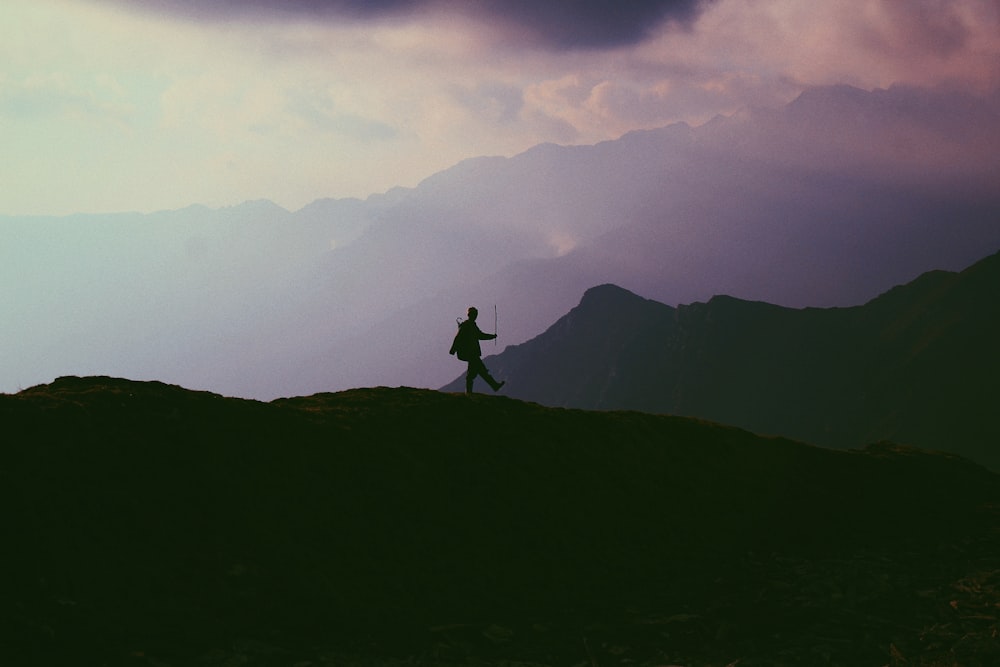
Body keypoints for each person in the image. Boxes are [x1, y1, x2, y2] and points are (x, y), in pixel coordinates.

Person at [449, 306, 505, 394]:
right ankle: (493, 386)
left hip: (472, 353)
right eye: (474, 314)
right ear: (470, 315)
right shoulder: (466, 325)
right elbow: (458, 337)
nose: (475, 316)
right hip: (471, 353)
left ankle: (471, 392)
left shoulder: (472, 326)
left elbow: (480, 335)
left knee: (475, 373)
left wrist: (491, 336)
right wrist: (453, 349)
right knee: (480, 371)